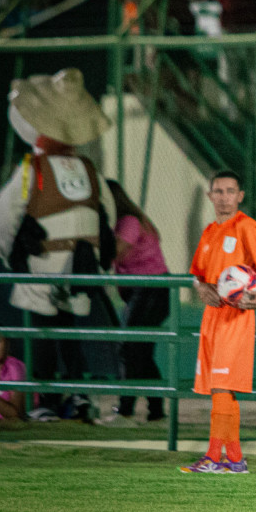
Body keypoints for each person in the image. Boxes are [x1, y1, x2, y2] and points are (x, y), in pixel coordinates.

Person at [0, 69, 116, 422]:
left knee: (40, 332)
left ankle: (44, 400)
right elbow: (107, 213)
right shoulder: (88, 168)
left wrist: (11, 253)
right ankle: (77, 395)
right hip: (81, 264)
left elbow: (5, 215)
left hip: (43, 263)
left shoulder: (33, 167)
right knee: (73, 332)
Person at [180, 170, 256, 474]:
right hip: (212, 316)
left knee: (222, 387)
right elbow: (198, 273)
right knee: (220, 388)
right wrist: (201, 288)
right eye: (218, 191)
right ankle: (235, 459)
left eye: (230, 191)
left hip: (236, 316)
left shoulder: (247, 228)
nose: (224, 197)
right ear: (210, 196)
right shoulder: (210, 231)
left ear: (240, 196)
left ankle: (214, 457)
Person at [102, 180, 169, 426]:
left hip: (151, 289)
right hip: (148, 291)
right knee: (140, 351)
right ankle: (156, 412)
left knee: (128, 347)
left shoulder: (128, 221)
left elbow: (116, 252)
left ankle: (126, 411)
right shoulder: (128, 221)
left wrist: (90, 240)